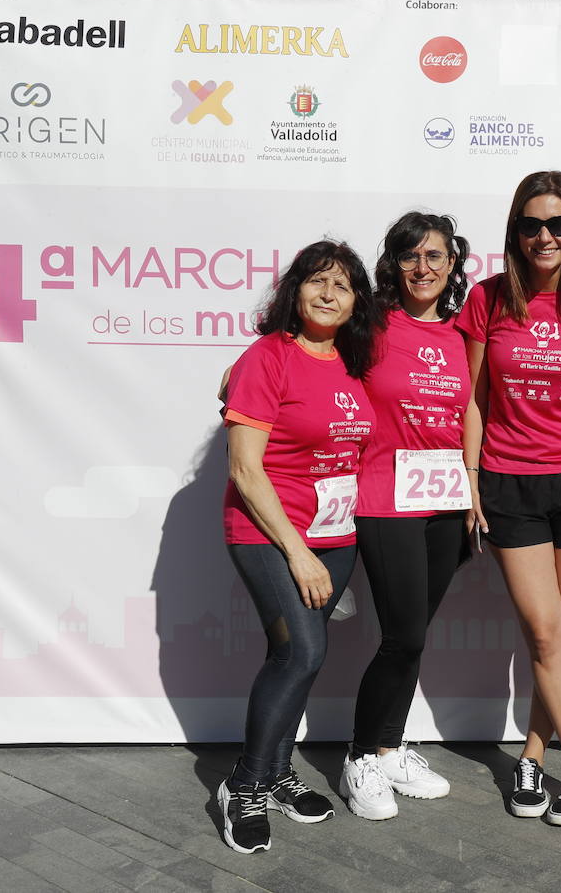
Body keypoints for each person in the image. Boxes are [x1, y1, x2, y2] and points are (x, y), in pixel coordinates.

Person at [457, 170, 561, 826]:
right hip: (509, 484)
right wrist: (471, 480)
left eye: (559, 224)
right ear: (516, 232)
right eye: (532, 224)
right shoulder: (489, 298)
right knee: (548, 629)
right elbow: (474, 398)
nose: (546, 236)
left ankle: (532, 754)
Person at [216, 241, 378, 854]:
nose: (330, 293)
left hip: (336, 534)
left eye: (343, 285)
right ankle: (247, 784)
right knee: (300, 654)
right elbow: (245, 470)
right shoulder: (267, 357)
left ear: (357, 300)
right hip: (269, 531)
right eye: (317, 281)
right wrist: (298, 551)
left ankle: (279, 773)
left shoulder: (352, 362)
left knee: (297, 655)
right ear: (295, 290)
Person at [340, 213, 472, 820]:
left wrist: (472, 493)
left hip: (446, 502)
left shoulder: (459, 333)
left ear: (453, 266)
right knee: (404, 636)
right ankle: (361, 755)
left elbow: (473, 410)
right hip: (385, 498)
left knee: (414, 632)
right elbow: (307, 355)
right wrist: (248, 371)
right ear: (393, 264)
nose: (425, 268)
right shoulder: (369, 324)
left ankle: (389, 746)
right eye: (412, 256)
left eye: (437, 257)